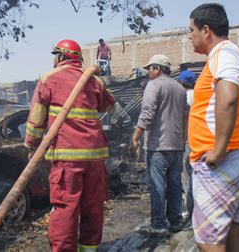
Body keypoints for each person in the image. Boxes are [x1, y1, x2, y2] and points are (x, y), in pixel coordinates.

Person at [24, 39, 115, 252]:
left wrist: (32, 146)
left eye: (55, 55)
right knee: (93, 207)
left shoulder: (48, 79)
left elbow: (36, 120)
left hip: (67, 159)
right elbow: (109, 105)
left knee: (66, 209)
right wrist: (100, 79)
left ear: (62, 56)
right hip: (95, 157)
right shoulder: (93, 81)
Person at [187, 3, 239, 252]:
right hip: (236, 156)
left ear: (206, 30)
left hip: (222, 161)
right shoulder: (229, 54)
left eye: (191, 30)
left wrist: (218, 149)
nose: (189, 37)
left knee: (208, 240)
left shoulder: (223, 52)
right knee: (230, 231)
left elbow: (228, 97)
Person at [130, 54, 187, 236]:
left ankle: (158, 225)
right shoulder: (179, 89)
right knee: (175, 184)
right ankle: (176, 220)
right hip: (177, 146)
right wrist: (183, 137)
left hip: (158, 147)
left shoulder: (153, 85)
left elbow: (147, 113)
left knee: (157, 185)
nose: (148, 73)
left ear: (158, 69)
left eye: (150, 69)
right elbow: (186, 115)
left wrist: (135, 137)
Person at [177, 69, 197, 222]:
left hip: (188, 139)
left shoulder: (183, 97)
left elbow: (182, 119)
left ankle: (189, 211)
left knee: (186, 175)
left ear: (182, 82)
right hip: (201, 140)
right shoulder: (200, 94)